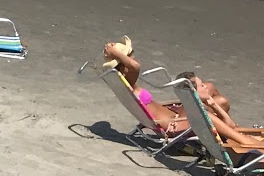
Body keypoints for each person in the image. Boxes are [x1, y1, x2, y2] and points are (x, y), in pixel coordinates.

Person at [101, 39, 264, 150]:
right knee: (218, 101)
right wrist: (117, 52)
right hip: (175, 125)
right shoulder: (128, 82)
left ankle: (232, 131)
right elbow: (135, 66)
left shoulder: (127, 85)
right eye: (130, 56)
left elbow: (134, 66)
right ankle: (237, 135)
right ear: (123, 66)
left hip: (175, 116)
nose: (134, 57)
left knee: (211, 91)